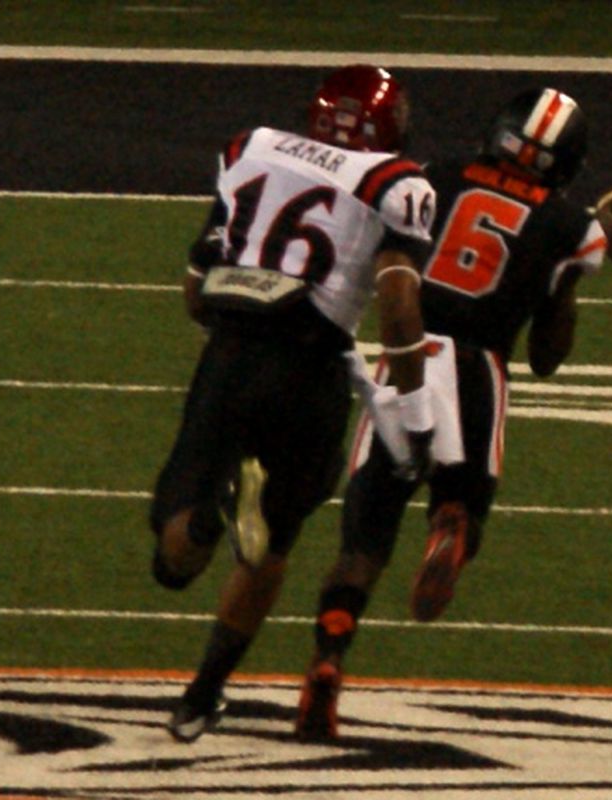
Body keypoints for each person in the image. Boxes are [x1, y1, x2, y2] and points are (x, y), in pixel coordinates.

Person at [295, 87, 612, 740]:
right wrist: (568, 286)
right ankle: (451, 526)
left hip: (407, 356)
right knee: (460, 505)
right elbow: (548, 355)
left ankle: (328, 655)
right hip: (478, 371)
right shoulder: (568, 224)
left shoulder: (430, 177)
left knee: (361, 545)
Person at [148, 64, 438, 743]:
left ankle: (209, 523)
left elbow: (196, 291)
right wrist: (415, 418)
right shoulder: (395, 184)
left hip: (231, 354)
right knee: (273, 548)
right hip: (312, 369)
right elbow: (398, 304)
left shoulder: (248, 148)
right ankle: (201, 694)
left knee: (173, 562)